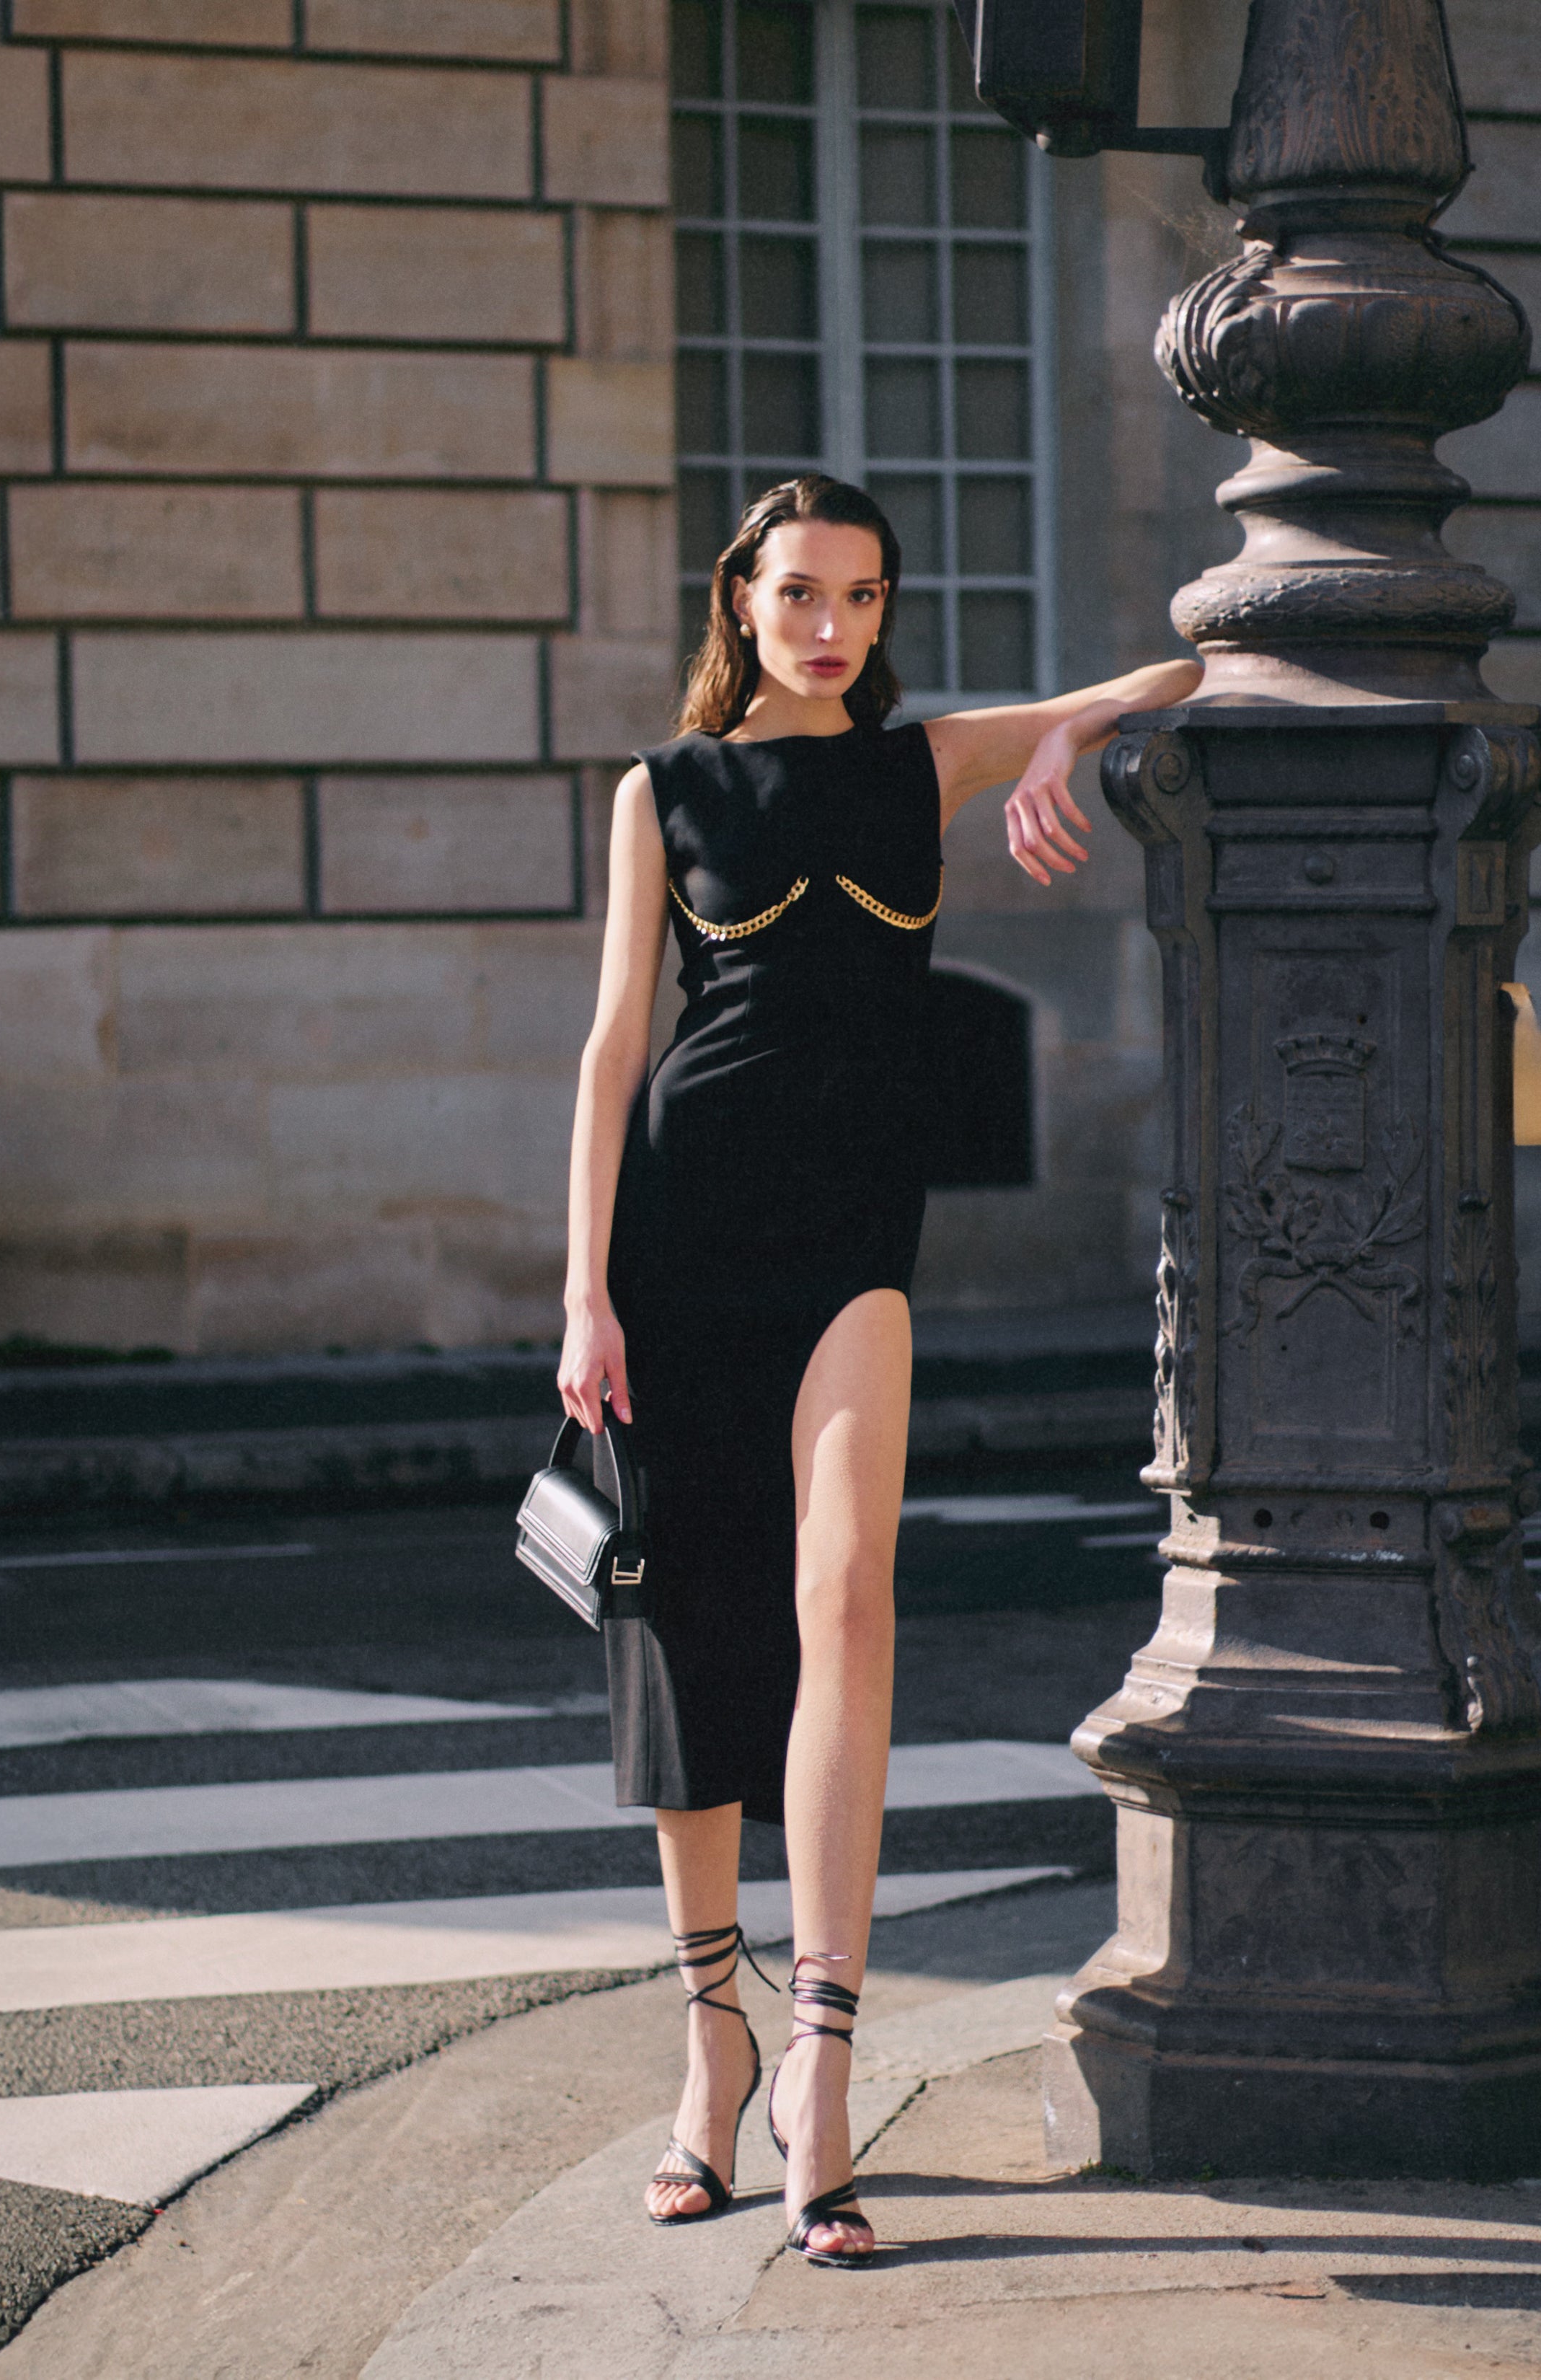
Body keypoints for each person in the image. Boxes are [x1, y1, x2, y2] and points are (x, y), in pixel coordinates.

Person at [557, 473, 1202, 2266]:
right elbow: (615, 1049)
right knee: (688, 1621)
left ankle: (820, 2066)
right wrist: (579, 1289)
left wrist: (1062, 738)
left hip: (856, 1238)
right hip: (678, 1238)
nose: (827, 623)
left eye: (858, 593)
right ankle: (710, 2043)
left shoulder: (924, 763)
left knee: (844, 1600)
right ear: (739, 603)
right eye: (796, 594)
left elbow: (1176, 674)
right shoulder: (664, 790)